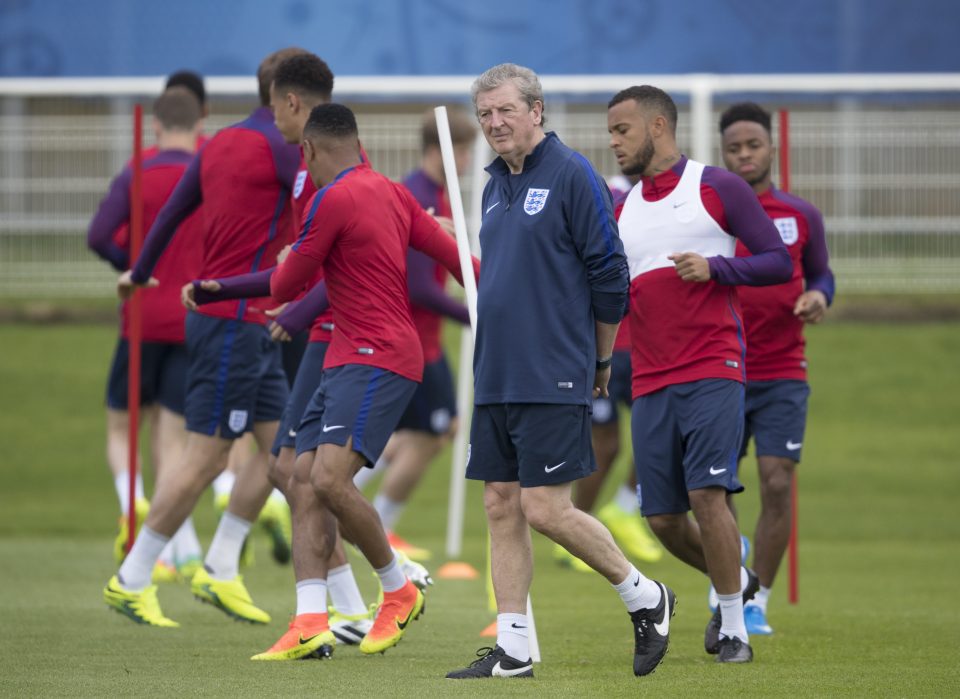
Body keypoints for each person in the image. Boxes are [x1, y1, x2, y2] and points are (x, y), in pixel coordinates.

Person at [446, 64, 675, 681]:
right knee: (500, 503)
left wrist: (599, 358)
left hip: (554, 371)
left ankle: (645, 596)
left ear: (537, 110)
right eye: (486, 114)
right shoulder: (494, 184)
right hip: (495, 370)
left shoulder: (572, 174)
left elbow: (609, 275)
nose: (495, 123)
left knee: (544, 508)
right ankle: (514, 647)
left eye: (505, 111)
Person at [102, 47, 306, 628]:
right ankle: (132, 578)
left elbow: (169, 214)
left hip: (247, 321)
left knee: (283, 456)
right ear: (290, 97)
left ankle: (224, 568)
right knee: (208, 455)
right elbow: (323, 210)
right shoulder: (284, 147)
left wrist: (138, 272)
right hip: (235, 321)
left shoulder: (218, 143)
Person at [266, 103, 479, 656]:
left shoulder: (329, 198)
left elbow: (286, 283)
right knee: (303, 477)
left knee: (331, 479)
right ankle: (310, 617)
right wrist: (510, 285)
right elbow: (458, 261)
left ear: (308, 151)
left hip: (377, 355)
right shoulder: (393, 190)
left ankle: (397, 586)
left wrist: (291, 257)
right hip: (344, 355)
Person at [607, 85, 793, 663]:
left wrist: (715, 266)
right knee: (662, 518)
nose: (613, 143)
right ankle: (734, 578)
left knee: (707, 493)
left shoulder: (717, 186)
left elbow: (777, 262)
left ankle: (734, 627)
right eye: (611, 132)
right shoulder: (623, 206)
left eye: (622, 130)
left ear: (659, 126)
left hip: (715, 364)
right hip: (649, 377)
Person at [719, 102, 835, 635]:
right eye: (734, 148)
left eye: (753, 145)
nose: (744, 155)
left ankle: (756, 599)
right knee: (715, 488)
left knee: (778, 482)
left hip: (785, 370)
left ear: (772, 148)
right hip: (724, 369)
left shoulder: (801, 214)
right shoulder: (717, 213)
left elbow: (822, 275)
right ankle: (728, 577)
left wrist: (818, 296)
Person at [88, 86, 206, 581]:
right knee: (172, 436)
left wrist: (133, 264)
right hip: (188, 316)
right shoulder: (206, 170)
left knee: (122, 425)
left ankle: (132, 501)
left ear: (155, 125)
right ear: (199, 124)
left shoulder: (138, 172)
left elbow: (99, 235)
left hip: (140, 317)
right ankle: (176, 543)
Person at [368, 106, 475, 561]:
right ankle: (375, 525)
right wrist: (469, 313)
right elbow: (416, 286)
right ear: (443, 151)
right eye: (466, 149)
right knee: (432, 433)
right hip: (410, 339)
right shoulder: (417, 196)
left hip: (422, 339)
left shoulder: (439, 195)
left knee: (419, 432)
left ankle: (359, 516)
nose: (469, 160)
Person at [556, 176, 664, 572]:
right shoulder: (608, 197)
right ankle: (573, 537)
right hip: (604, 348)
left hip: (649, 350)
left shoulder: (672, 202)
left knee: (660, 438)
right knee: (605, 447)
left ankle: (622, 509)